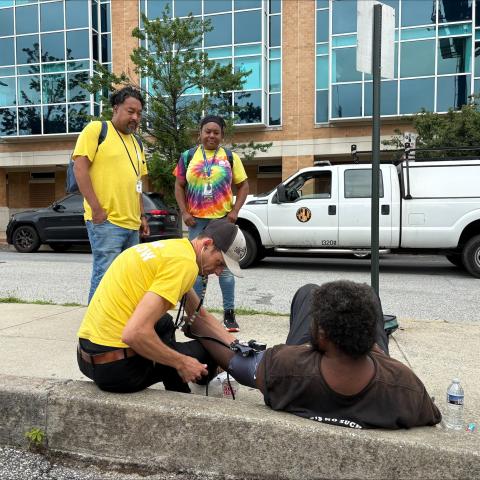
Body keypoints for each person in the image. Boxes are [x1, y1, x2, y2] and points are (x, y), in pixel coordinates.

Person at [189, 280, 442, 429]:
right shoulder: (405, 386)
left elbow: (239, 365)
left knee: (308, 292)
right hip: (368, 365)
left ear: (321, 335)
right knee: (368, 296)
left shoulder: (285, 367)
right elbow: (432, 416)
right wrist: (369, 345)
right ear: (373, 334)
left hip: (308, 371)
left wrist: (196, 326)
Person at [77, 219, 246, 394]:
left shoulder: (174, 249)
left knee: (164, 323)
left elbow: (199, 315)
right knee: (207, 351)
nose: (218, 272)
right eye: (220, 263)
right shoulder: (185, 265)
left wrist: (237, 345)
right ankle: (183, 397)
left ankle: (177, 390)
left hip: (87, 358)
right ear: (207, 244)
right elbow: (134, 333)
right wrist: (182, 362)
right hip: (117, 370)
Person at [73, 86, 149, 303]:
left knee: (128, 279)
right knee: (104, 276)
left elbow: (137, 183)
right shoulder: (97, 130)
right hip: (107, 222)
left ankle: (119, 319)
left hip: (132, 224)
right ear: (115, 109)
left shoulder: (137, 143)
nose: (135, 117)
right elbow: (80, 169)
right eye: (130, 111)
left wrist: (142, 216)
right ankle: (94, 324)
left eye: (139, 113)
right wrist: (97, 209)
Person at [174, 115, 249, 333]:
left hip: (222, 221)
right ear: (200, 133)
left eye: (216, 132)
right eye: (207, 131)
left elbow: (244, 186)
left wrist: (235, 211)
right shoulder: (188, 156)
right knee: (196, 269)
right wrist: (184, 211)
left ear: (222, 135)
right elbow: (179, 186)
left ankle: (229, 314)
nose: (211, 135)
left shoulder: (230, 157)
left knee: (224, 268)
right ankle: (195, 314)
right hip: (196, 221)